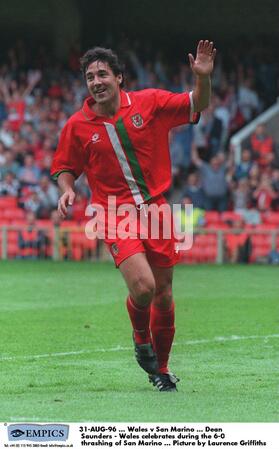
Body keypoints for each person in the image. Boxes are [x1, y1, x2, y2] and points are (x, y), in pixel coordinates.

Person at [51, 41, 216, 392]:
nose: (95, 81)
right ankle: (141, 337)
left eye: (102, 74)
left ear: (119, 78)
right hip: (113, 213)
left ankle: (162, 370)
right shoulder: (78, 125)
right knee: (144, 288)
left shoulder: (150, 103)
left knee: (165, 294)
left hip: (155, 208)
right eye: (89, 76)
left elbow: (197, 103)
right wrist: (67, 188)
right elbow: (65, 166)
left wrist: (203, 78)